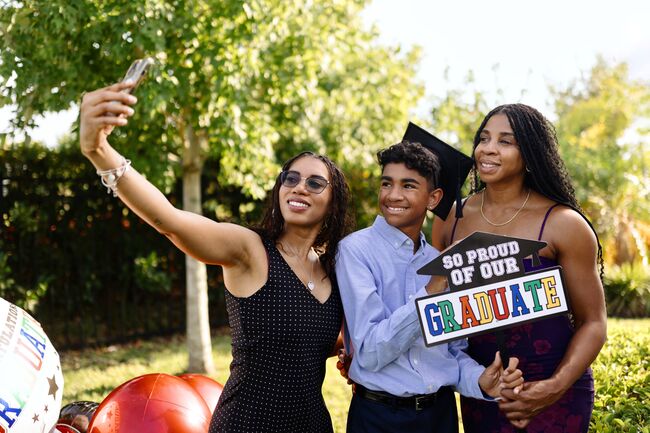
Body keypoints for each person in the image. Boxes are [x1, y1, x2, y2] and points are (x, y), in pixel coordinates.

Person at [79, 80, 354, 433]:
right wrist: (98, 150)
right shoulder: (249, 249)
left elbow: (316, 337)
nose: (299, 186)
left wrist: (350, 352)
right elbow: (169, 220)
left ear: (333, 203)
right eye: (291, 178)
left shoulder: (333, 267)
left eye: (315, 183)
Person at [431, 103, 607, 432]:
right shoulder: (450, 219)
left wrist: (552, 388)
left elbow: (593, 323)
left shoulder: (563, 224)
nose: (488, 149)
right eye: (483, 138)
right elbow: (433, 309)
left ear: (530, 154)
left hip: (556, 392)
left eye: (505, 141)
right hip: (483, 391)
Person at [335, 138, 523, 433]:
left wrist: (479, 380)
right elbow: (370, 352)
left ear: (433, 198)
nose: (393, 195)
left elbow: (452, 351)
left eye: (408, 186)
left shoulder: (442, 262)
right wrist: (433, 289)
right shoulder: (354, 251)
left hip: (439, 418)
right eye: (387, 184)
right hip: (378, 418)